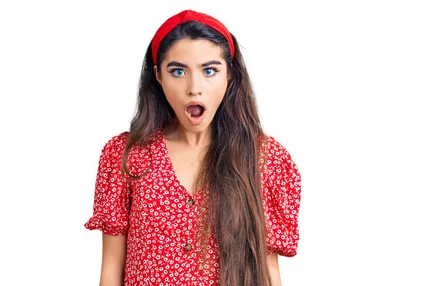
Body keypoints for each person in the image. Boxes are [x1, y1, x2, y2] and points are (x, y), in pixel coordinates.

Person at [84, 9, 302, 286]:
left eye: (209, 70)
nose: (194, 88)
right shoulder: (127, 155)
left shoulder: (265, 160)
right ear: (158, 76)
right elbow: (111, 270)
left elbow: (269, 272)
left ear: (230, 75)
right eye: (177, 71)